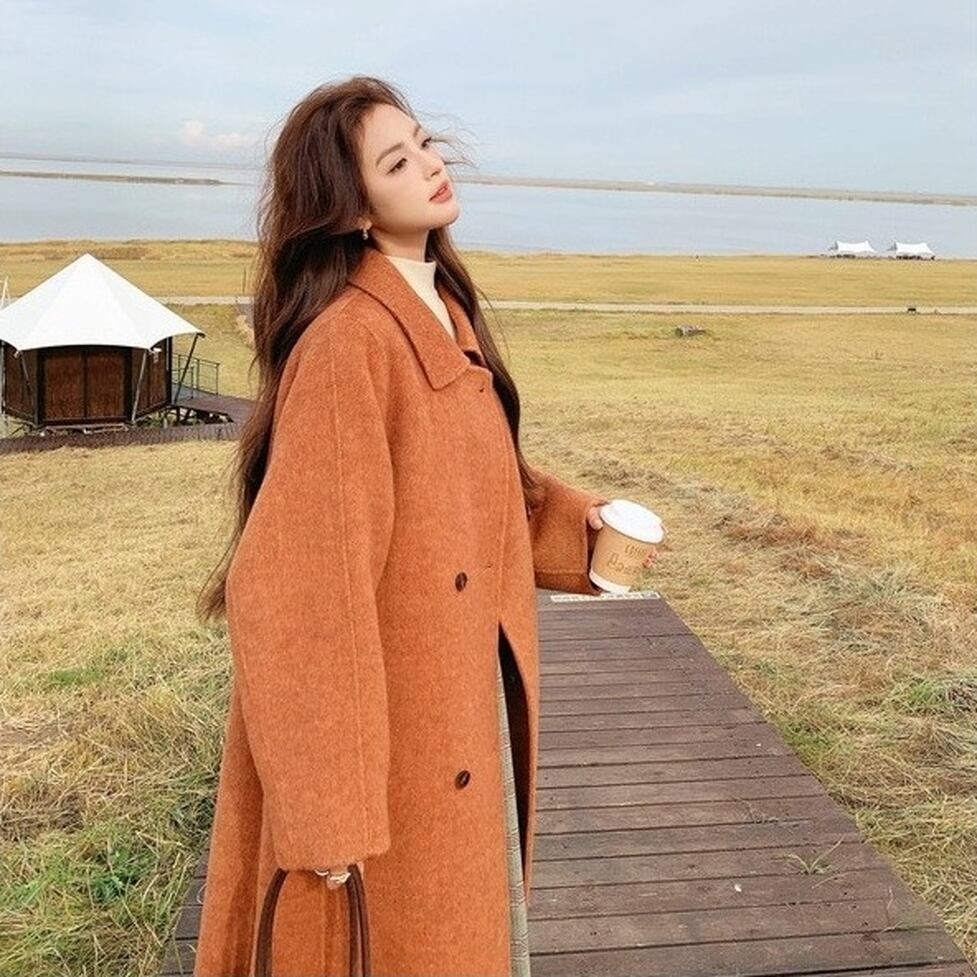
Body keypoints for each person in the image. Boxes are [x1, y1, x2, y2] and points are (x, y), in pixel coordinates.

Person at [194, 75, 660, 977]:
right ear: (353, 208)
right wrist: (326, 808)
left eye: (424, 144)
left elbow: (470, 486)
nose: (430, 166)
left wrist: (580, 527)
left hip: (452, 708)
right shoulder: (350, 343)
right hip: (388, 741)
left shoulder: (440, 309)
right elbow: (295, 585)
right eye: (396, 162)